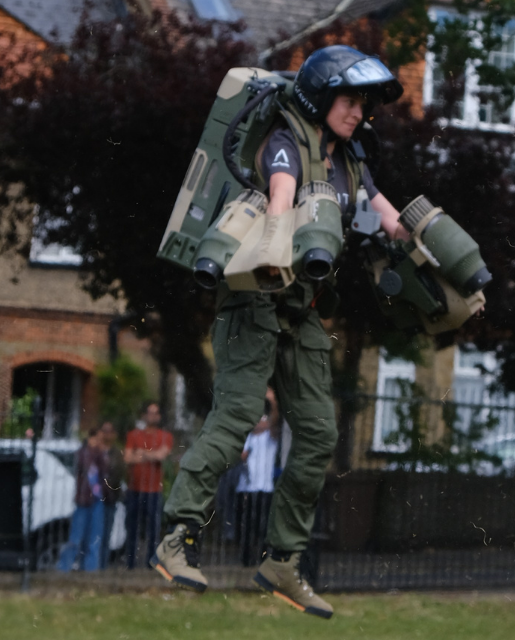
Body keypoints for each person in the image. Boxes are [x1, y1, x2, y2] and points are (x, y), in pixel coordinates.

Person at [152, 45, 406, 618]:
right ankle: (176, 536)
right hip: (253, 297)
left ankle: (282, 563)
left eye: (363, 102)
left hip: (301, 308)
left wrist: (420, 243)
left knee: (318, 435)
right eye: (349, 99)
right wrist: (276, 240)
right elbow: (283, 197)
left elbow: (384, 213)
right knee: (238, 416)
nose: (358, 111)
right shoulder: (285, 142)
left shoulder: (349, 158)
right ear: (320, 98)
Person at [125, 402, 173, 569]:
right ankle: (130, 563)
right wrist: (151, 455)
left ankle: (151, 563)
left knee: (153, 529)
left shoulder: (165, 436)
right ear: (144, 415)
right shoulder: (134, 435)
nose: (152, 416)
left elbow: (162, 455)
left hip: (154, 490)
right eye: (149, 413)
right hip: (135, 488)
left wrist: (142, 453)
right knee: (132, 528)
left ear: (159, 416)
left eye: (155, 413)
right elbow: (128, 458)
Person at [235, 398, 280, 566]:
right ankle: (246, 559)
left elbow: (275, 426)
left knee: (262, 527)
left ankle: (262, 559)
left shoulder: (270, 436)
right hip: (245, 487)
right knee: (246, 527)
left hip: (264, 488)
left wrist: (274, 402)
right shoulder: (247, 436)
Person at [58, 426, 106, 572]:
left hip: (97, 499)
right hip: (84, 499)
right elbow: (84, 467)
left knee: (94, 538)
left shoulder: (101, 455)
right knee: (76, 537)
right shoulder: (83, 453)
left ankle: (91, 569)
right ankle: (64, 567)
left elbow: (106, 471)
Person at [99, 421, 125, 569]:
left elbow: (118, 475)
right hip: (95, 498)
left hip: (110, 498)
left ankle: (102, 566)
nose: (107, 434)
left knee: (106, 534)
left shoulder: (116, 453)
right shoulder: (95, 449)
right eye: (105, 431)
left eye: (110, 431)